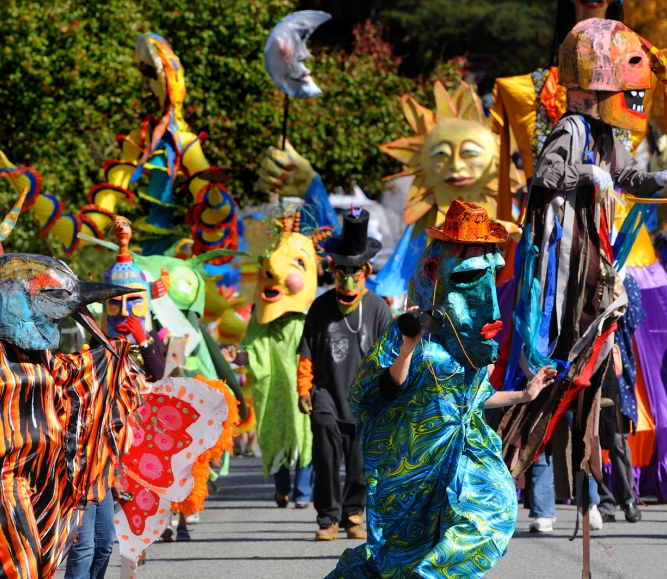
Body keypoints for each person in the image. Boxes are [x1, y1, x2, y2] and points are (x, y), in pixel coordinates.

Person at [325, 201, 556, 578]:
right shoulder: (413, 338)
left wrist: (525, 395)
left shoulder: (472, 348)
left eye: (492, 278)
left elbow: (475, 399)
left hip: (467, 456)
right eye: (468, 279)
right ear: (435, 273)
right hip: (417, 469)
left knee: (492, 511)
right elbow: (383, 390)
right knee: (398, 559)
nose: (488, 301)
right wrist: (408, 346)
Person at [297, 207, 393, 541]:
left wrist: (390, 394)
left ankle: (353, 514)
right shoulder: (320, 307)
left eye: (355, 273)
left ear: (366, 272)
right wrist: (303, 390)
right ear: (333, 271)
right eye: (342, 273)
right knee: (324, 454)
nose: (348, 282)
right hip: (325, 395)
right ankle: (327, 519)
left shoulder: (379, 308)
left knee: (360, 462)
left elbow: (392, 357)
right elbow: (306, 353)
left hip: (365, 399)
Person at [240, 214, 319, 508]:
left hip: (302, 389)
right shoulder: (261, 321)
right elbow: (251, 350)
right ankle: (281, 487)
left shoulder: (309, 320)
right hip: (272, 392)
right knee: (274, 434)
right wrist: (235, 356)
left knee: (304, 435)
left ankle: (302, 492)